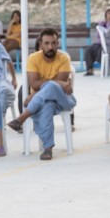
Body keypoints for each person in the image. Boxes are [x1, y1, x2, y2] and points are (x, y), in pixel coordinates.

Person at [7, 29, 74, 161]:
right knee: (47, 105)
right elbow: (34, 83)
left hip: (63, 100)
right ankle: (48, 148)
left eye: (53, 43)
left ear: (57, 44)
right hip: (44, 102)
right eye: (47, 43)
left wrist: (34, 95)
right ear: (41, 44)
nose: (50, 47)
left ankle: (23, 117)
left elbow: (57, 87)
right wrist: (53, 83)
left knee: (52, 86)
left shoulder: (64, 58)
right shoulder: (33, 58)